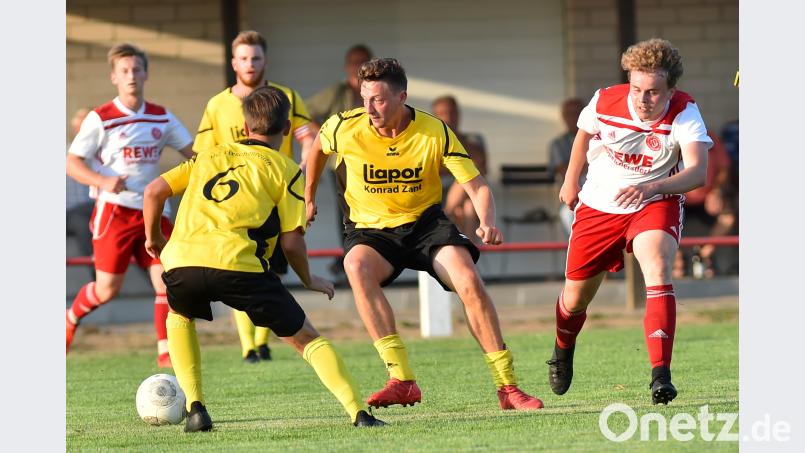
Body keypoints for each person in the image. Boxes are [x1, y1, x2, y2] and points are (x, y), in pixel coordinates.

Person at [305, 58, 544, 411]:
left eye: (379, 100)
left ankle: (508, 388)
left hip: (425, 225)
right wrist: (309, 199)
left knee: (468, 278)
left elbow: (476, 186)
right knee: (356, 267)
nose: (369, 108)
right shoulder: (343, 127)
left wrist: (487, 220)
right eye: (364, 98)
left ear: (402, 96)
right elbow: (316, 151)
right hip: (372, 231)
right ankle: (401, 380)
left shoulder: (434, 131)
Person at [142, 85, 384, 432]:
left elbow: (153, 192)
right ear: (286, 130)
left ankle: (196, 408)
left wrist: (155, 240)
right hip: (240, 265)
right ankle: (358, 413)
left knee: (179, 316)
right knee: (307, 338)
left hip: (184, 262)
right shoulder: (286, 170)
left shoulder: (207, 157)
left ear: (244, 126)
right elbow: (292, 241)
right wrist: (308, 279)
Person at [545, 38, 711, 405]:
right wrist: (572, 179)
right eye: (637, 89)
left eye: (653, 92)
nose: (643, 99)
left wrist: (652, 187)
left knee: (658, 265)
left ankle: (660, 377)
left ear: (671, 89)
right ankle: (562, 349)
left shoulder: (685, 111)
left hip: (655, 199)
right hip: (601, 202)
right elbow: (583, 134)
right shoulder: (605, 99)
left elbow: (698, 172)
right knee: (574, 300)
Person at [65, 43, 195, 367]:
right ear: (114, 77)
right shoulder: (101, 118)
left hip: (154, 211)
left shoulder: (161, 116)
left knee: (168, 278)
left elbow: (194, 155)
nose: (131, 75)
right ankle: (69, 318)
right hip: (115, 212)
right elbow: (71, 162)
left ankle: (165, 351)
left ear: (146, 73)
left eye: (137, 69)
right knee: (107, 289)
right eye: (124, 70)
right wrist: (103, 181)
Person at [193, 30, 317, 364]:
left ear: (265, 61)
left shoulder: (285, 96)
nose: (250, 64)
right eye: (244, 58)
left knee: (272, 272)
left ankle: (261, 344)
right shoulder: (217, 106)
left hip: (275, 197)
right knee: (240, 270)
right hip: (234, 204)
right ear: (233, 63)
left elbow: (308, 134)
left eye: (256, 58)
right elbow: (202, 156)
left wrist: (307, 153)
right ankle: (249, 347)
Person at [307, 44, 373, 280]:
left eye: (363, 62)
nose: (359, 68)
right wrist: (325, 136)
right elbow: (304, 112)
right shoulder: (338, 91)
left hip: (374, 164)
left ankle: (360, 263)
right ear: (347, 67)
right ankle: (349, 266)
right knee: (347, 219)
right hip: (343, 166)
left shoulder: (376, 90)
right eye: (354, 63)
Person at [672, 131, 733, 278]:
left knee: (727, 217)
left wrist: (717, 191)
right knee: (661, 219)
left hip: (705, 197)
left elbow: (724, 169)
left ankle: (702, 255)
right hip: (675, 195)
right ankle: (678, 260)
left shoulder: (709, 137)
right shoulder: (668, 135)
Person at [431, 95, 488, 240]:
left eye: (452, 112)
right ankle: (468, 253)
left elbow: (481, 167)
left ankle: (448, 215)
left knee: (468, 200)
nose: (449, 117)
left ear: (459, 114)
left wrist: (455, 137)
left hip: (465, 193)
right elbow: (430, 170)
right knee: (467, 206)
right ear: (435, 117)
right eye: (443, 113)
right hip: (435, 196)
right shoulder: (429, 140)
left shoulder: (474, 139)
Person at [546, 98, 586, 235]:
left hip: (601, 192)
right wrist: (584, 163)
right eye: (569, 113)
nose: (574, 117)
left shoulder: (599, 137)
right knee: (567, 214)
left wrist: (577, 164)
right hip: (575, 196)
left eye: (577, 112)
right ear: (563, 117)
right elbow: (562, 169)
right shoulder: (557, 144)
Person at [66, 108, 95, 270]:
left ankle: (162, 284)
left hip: (96, 209)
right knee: (82, 223)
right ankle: (97, 276)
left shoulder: (104, 154)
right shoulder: (66, 152)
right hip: (70, 213)